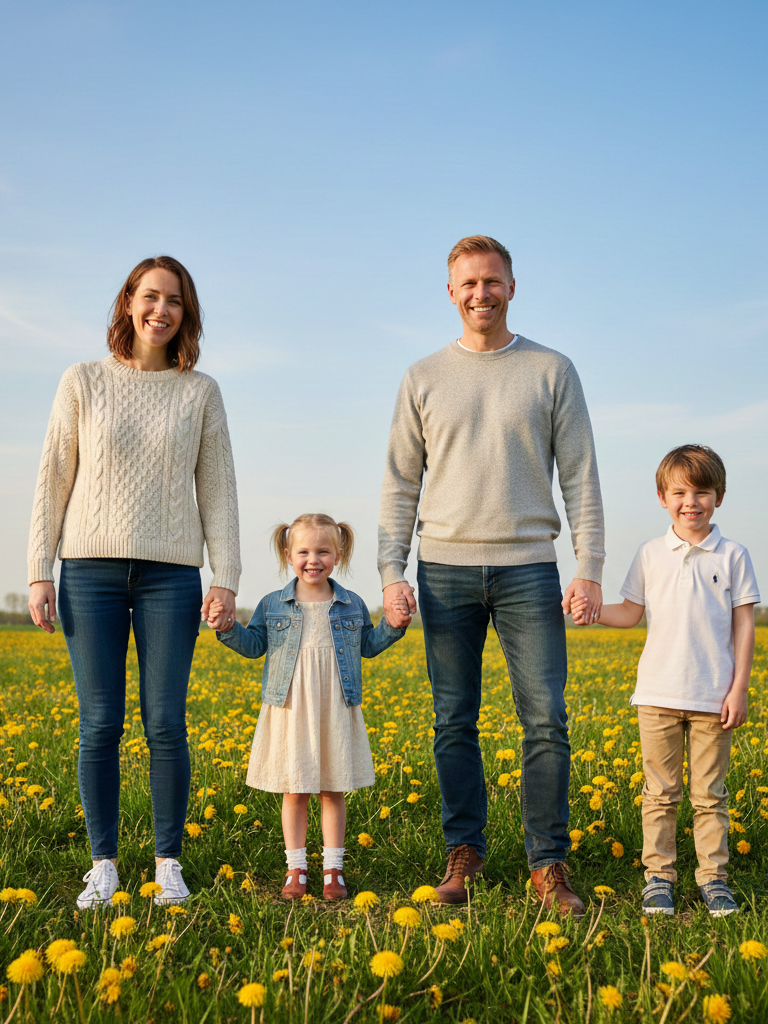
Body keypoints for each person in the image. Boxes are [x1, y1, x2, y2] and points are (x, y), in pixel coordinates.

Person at [378, 235, 605, 913]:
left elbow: (582, 477)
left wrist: (588, 566)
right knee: (454, 721)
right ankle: (464, 856)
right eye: (468, 283)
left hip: (529, 567)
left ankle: (549, 864)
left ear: (512, 286)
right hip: (444, 566)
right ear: (451, 293)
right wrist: (393, 571)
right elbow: (399, 484)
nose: (481, 293)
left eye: (492, 281)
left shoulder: (551, 370)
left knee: (546, 720)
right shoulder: (422, 377)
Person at [27, 256, 241, 909]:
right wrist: (39, 569)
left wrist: (226, 576)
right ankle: (104, 865)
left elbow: (219, 490)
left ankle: (168, 863)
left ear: (186, 313)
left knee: (166, 724)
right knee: (99, 724)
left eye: (174, 300)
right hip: (87, 571)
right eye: (150, 297)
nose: (161, 310)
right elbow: (52, 476)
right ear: (127, 302)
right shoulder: (82, 381)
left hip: (171, 575)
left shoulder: (200, 391)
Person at [571, 445, 759, 917]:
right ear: (662, 497)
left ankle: (714, 879)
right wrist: (588, 613)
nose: (690, 501)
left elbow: (744, 626)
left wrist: (738, 689)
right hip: (656, 694)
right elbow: (631, 613)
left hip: (714, 697)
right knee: (659, 793)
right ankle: (659, 877)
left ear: (719, 497)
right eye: (679, 492)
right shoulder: (650, 554)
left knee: (709, 796)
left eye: (701, 492)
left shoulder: (734, 555)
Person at [212, 513, 405, 900]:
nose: (313, 559)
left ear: (339, 555)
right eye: (303, 551)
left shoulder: (351, 604)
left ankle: (333, 869)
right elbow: (253, 647)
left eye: (323, 551)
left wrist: (394, 625)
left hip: (335, 706)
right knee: (294, 790)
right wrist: (226, 629)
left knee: (333, 790)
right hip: (290, 709)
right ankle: (296, 868)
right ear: (288, 554)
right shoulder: (273, 604)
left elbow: (368, 646)